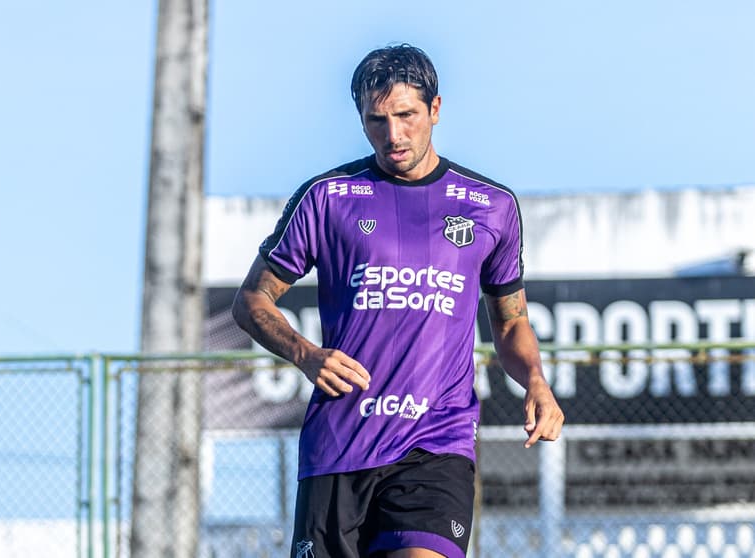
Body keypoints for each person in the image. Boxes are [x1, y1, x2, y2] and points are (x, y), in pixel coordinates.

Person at [231, 43, 564, 558]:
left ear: (435, 109)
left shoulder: (492, 208)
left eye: (406, 115)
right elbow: (252, 300)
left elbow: (510, 320)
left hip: (436, 442)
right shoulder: (327, 197)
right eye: (377, 120)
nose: (394, 135)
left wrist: (536, 381)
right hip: (340, 446)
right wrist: (306, 354)